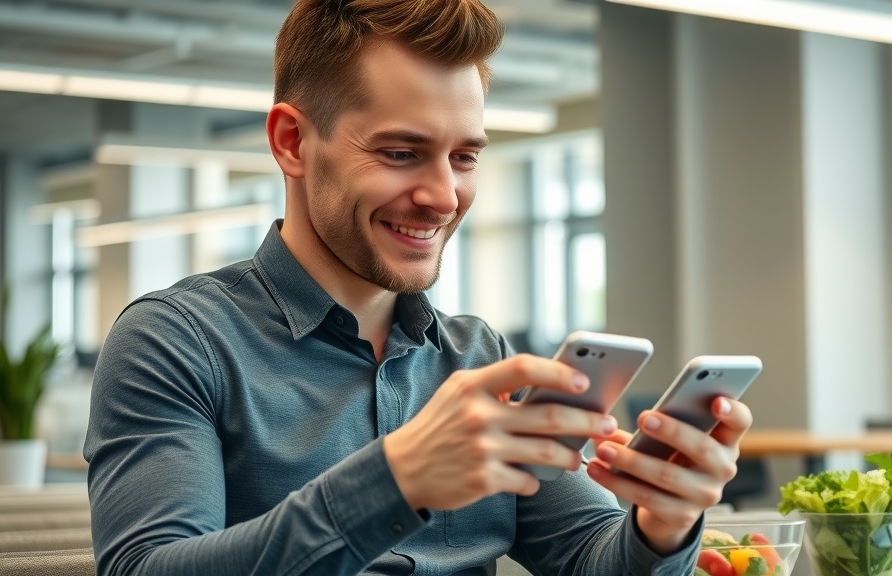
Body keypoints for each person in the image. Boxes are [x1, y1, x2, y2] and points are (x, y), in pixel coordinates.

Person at [84, 0, 753, 574]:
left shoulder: (476, 358)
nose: (443, 196)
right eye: (401, 153)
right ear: (292, 141)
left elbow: (588, 555)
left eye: (464, 157)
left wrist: (661, 524)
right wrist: (394, 481)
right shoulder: (175, 340)